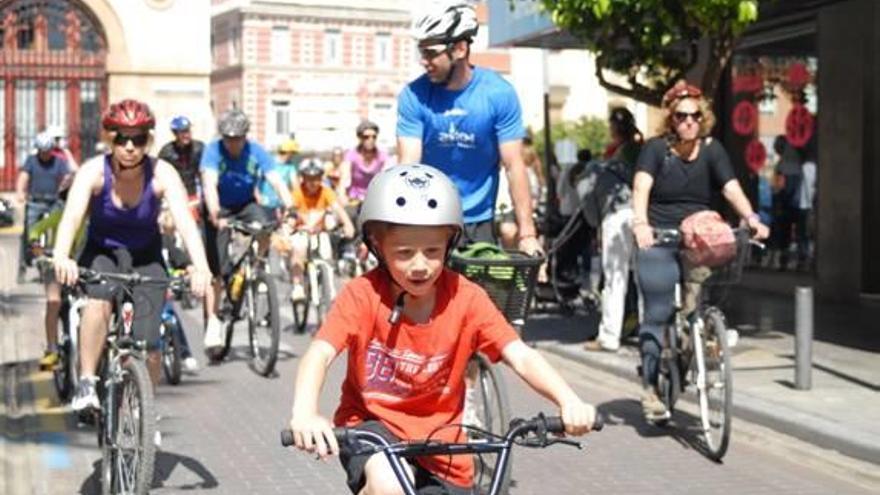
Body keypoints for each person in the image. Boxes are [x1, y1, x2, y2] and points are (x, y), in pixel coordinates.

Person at [286, 164, 597, 494]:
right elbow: (319, 353)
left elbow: (519, 354)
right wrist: (305, 412)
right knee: (389, 484)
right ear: (378, 246)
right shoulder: (362, 294)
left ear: (449, 245)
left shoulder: (467, 297)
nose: (420, 265)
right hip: (370, 428)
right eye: (404, 253)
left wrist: (568, 400)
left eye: (432, 251)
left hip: (442, 447)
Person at [51, 99, 211, 412]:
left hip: (146, 254)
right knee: (98, 301)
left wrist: (201, 267)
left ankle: (144, 411)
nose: (129, 146)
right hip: (102, 251)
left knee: (150, 343)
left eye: (138, 139)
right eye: (121, 138)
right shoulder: (93, 172)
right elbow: (71, 218)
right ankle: (86, 382)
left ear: (148, 140)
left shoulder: (162, 173)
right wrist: (62, 256)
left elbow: (186, 225)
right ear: (110, 138)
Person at [631, 81, 769, 421]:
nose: (689, 121)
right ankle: (650, 388)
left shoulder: (712, 150)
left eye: (695, 115)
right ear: (670, 119)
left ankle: (689, 346)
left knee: (697, 309)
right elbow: (641, 186)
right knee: (659, 311)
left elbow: (731, 187)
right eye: (681, 116)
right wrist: (640, 224)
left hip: (699, 241)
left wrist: (750, 216)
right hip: (659, 239)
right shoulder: (654, 149)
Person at [396, 1, 540, 254]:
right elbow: (408, 166)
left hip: (479, 220)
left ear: (460, 48)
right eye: (422, 53)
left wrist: (527, 234)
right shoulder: (413, 95)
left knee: (481, 293)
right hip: (430, 217)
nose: (424, 61)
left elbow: (514, 165)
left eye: (431, 53)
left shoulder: (498, 93)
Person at [200, 108, 294, 355]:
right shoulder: (213, 151)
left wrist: (290, 206)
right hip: (218, 208)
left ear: (245, 136)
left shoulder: (256, 151)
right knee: (216, 270)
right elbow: (209, 184)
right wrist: (214, 213)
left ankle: (258, 264)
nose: (233, 144)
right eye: (229, 139)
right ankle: (212, 321)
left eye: (238, 138)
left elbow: (275, 179)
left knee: (266, 223)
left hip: (244, 204)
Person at [584, 107, 643, 352]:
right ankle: (648, 332)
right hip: (641, 214)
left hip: (617, 214)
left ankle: (609, 335)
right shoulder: (642, 149)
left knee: (614, 278)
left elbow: (597, 189)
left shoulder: (615, 155)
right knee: (643, 278)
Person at [15, 132, 72, 369]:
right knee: (54, 301)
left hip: (79, 264)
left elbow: (67, 174)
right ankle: (52, 348)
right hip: (38, 202)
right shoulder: (32, 161)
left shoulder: (59, 162)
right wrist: (39, 250)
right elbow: (23, 178)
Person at [286, 162, 355, 302]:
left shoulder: (326, 192)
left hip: (320, 231)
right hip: (301, 231)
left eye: (316, 178)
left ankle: (329, 288)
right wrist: (289, 226)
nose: (313, 182)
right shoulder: (297, 192)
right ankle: (298, 285)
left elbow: (338, 208)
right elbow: (291, 212)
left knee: (326, 255)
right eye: (309, 178)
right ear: (303, 178)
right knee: (298, 249)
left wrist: (348, 225)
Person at [158, 115, 205, 220]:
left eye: (188, 131)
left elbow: (205, 173)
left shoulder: (199, 148)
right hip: (175, 195)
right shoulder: (167, 152)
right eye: (183, 132)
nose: (186, 135)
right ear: (175, 133)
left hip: (194, 193)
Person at [339, 120, 390, 208]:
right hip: (354, 198)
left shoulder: (382, 155)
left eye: (374, 137)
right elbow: (344, 178)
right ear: (359, 138)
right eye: (366, 137)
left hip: (375, 198)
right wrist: (342, 195)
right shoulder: (351, 155)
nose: (371, 140)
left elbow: (387, 177)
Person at [257, 138, 300, 220]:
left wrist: (295, 200)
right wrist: (258, 195)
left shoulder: (290, 166)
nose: (293, 156)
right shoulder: (268, 162)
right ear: (288, 153)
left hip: (281, 202)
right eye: (292, 153)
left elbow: (295, 184)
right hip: (266, 201)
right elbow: (257, 179)